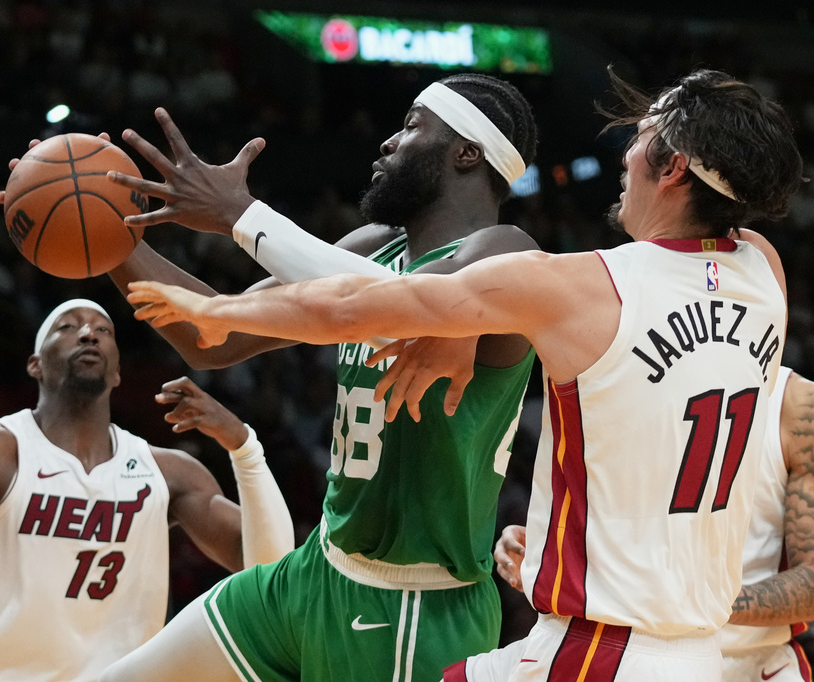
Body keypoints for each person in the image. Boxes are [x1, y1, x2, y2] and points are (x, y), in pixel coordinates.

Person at [124, 67, 805, 681]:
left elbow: (371, 303)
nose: (624, 155)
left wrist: (240, 231)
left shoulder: (565, 278)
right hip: (331, 567)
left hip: (496, 619)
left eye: (640, 140)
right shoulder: (760, 270)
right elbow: (290, 318)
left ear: (674, 168)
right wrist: (110, 241)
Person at [95, 74, 540, 682]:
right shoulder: (373, 247)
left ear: (466, 153)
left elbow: (403, 306)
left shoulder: (507, 252)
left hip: (410, 605)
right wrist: (102, 229)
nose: (387, 142)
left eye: (412, 126)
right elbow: (210, 335)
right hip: (314, 569)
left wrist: (241, 215)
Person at [0, 299, 293, 682]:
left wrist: (244, 447)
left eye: (103, 330)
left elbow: (270, 572)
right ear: (35, 364)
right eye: (67, 327)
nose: (88, 334)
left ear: (117, 372)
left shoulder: (169, 473)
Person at [492, 366, 814, 681]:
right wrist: (546, 549)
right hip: (629, 654)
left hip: (750, 661)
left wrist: (690, 602)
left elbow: (813, 584)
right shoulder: (628, 378)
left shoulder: (804, 406)